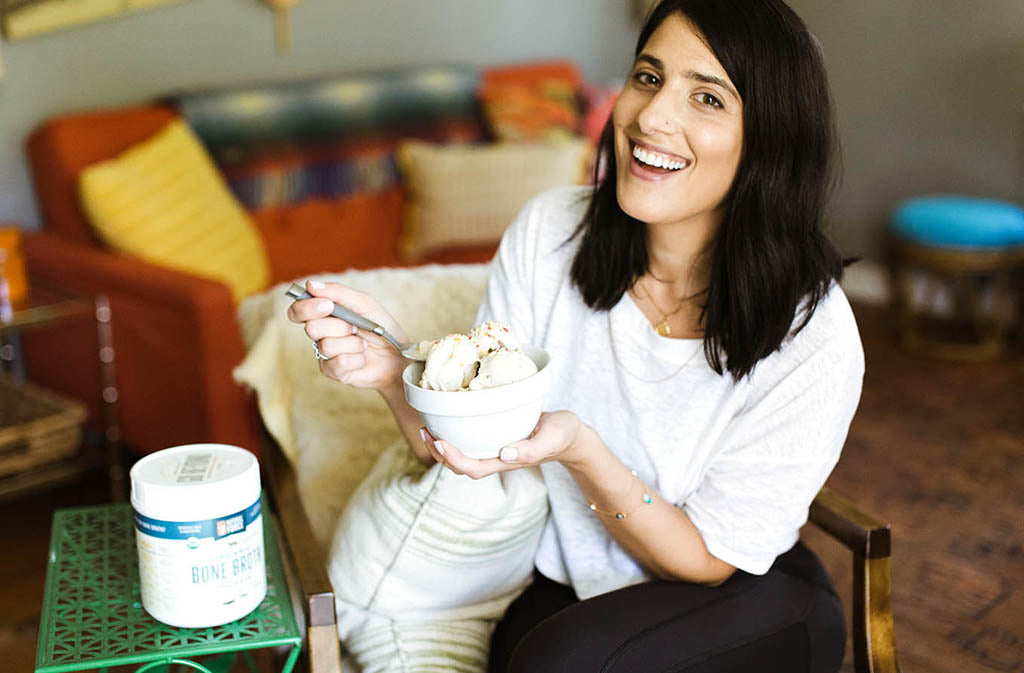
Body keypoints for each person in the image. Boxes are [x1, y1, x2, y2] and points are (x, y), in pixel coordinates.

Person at [289, 0, 863, 670]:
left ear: (769, 140)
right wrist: (398, 373)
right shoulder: (549, 235)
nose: (652, 117)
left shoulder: (814, 334)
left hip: (740, 587)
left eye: (706, 97)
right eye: (648, 78)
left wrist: (584, 451)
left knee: (557, 661)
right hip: (574, 582)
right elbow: (480, 451)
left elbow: (708, 559)